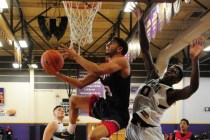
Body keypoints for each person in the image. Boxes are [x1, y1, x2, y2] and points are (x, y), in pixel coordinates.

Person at [125, 4, 205, 140]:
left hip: (149, 132)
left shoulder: (171, 94)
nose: (170, 71)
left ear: (176, 81)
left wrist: (194, 59)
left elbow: (192, 88)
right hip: (133, 127)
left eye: (175, 72)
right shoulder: (153, 75)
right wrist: (140, 22)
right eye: (171, 69)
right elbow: (145, 50)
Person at [47, 37, 131, 140]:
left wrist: (75, 56)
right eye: (107, 43)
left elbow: (97, 70)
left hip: (118, 113)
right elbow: (80, 83)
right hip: (106, 106)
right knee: (73, 100)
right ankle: (70, 132)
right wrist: (57, 74)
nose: (107, 45)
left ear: (119, 49)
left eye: (111, 43)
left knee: (92, 136)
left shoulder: (122, 61)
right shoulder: (105, 67)